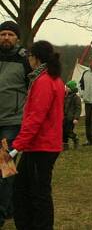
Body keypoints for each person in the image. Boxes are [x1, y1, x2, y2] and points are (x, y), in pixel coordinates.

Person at [11, 40, 64, 230]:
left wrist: (17, 145)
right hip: (43, 144)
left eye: (30, 57)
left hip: (41, 145)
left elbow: (36, 117)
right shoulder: (52, 78)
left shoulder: (43, 81)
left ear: (36, 58)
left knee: (37, 193)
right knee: (25, 189)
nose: (29, 60)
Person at [0, 20, 30, 224]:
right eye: (2, 34)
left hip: (12, 121)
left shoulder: (25, 60)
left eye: (10, 34)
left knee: (4, 166)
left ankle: (2, 213)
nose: (6, 38)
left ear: (17, 37)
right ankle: (9, 207)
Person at [62, 81, 81, 150]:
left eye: (67, 87)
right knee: (63, 132)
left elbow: (78, 109)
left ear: (71, 88)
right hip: (64, 118)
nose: (66, 88)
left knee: (68, 131)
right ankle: (65, 145)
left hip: (71, 118)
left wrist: (76, 118)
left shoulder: (76, 98)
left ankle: (75, 138)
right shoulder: (65, 96)